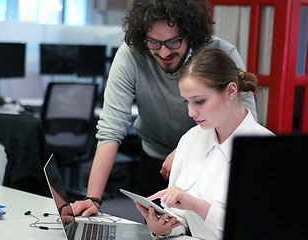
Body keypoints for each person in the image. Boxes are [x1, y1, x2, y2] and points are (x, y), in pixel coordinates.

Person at [72, 0, 258, 217]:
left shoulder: (220, 54)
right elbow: (111, 128)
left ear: (190, 33)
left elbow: (245, 120)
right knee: (158, 229)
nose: (163, 52)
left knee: (208, 225)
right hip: (154, 158)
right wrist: (93, 198)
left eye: (172, 42)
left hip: (208, 160)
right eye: (153, 42)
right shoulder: (130, 55)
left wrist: (184, 150)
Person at [135, 47, 274, 239]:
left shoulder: (268, 152)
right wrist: (163, 227)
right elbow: (181, 219)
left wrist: (196, 205)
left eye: (199, 101)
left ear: (231, 91)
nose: (191, 113)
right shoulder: (190, 139)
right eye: (187, 102)